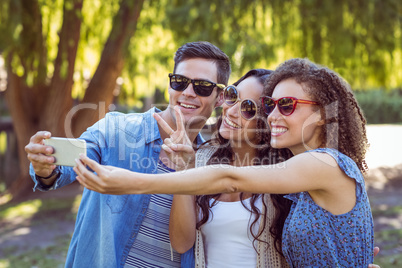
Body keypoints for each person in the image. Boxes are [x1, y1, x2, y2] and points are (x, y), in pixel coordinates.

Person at [74, 58, 376, 267]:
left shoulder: (324, 165)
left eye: (287, 105)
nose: (273, 115)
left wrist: (131, 183)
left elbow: (229, 178)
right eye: (271, 105)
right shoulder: (297, 179)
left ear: (323, 113)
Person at [24, 41, 231, 267]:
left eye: (202, 86)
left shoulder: (211, 164)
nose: (188, 93)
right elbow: (69, 165)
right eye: (180, 82)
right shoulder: (115, 129)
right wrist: (45, 167)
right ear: (170, 85)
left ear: (220, 98)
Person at [167, 69, 292, 267]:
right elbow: (181, 244)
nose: (231, 110)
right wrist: (184, 171)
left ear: (266, 122)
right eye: (233, 96)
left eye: (248, 109)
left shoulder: (284, 173)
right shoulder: (201, 160)